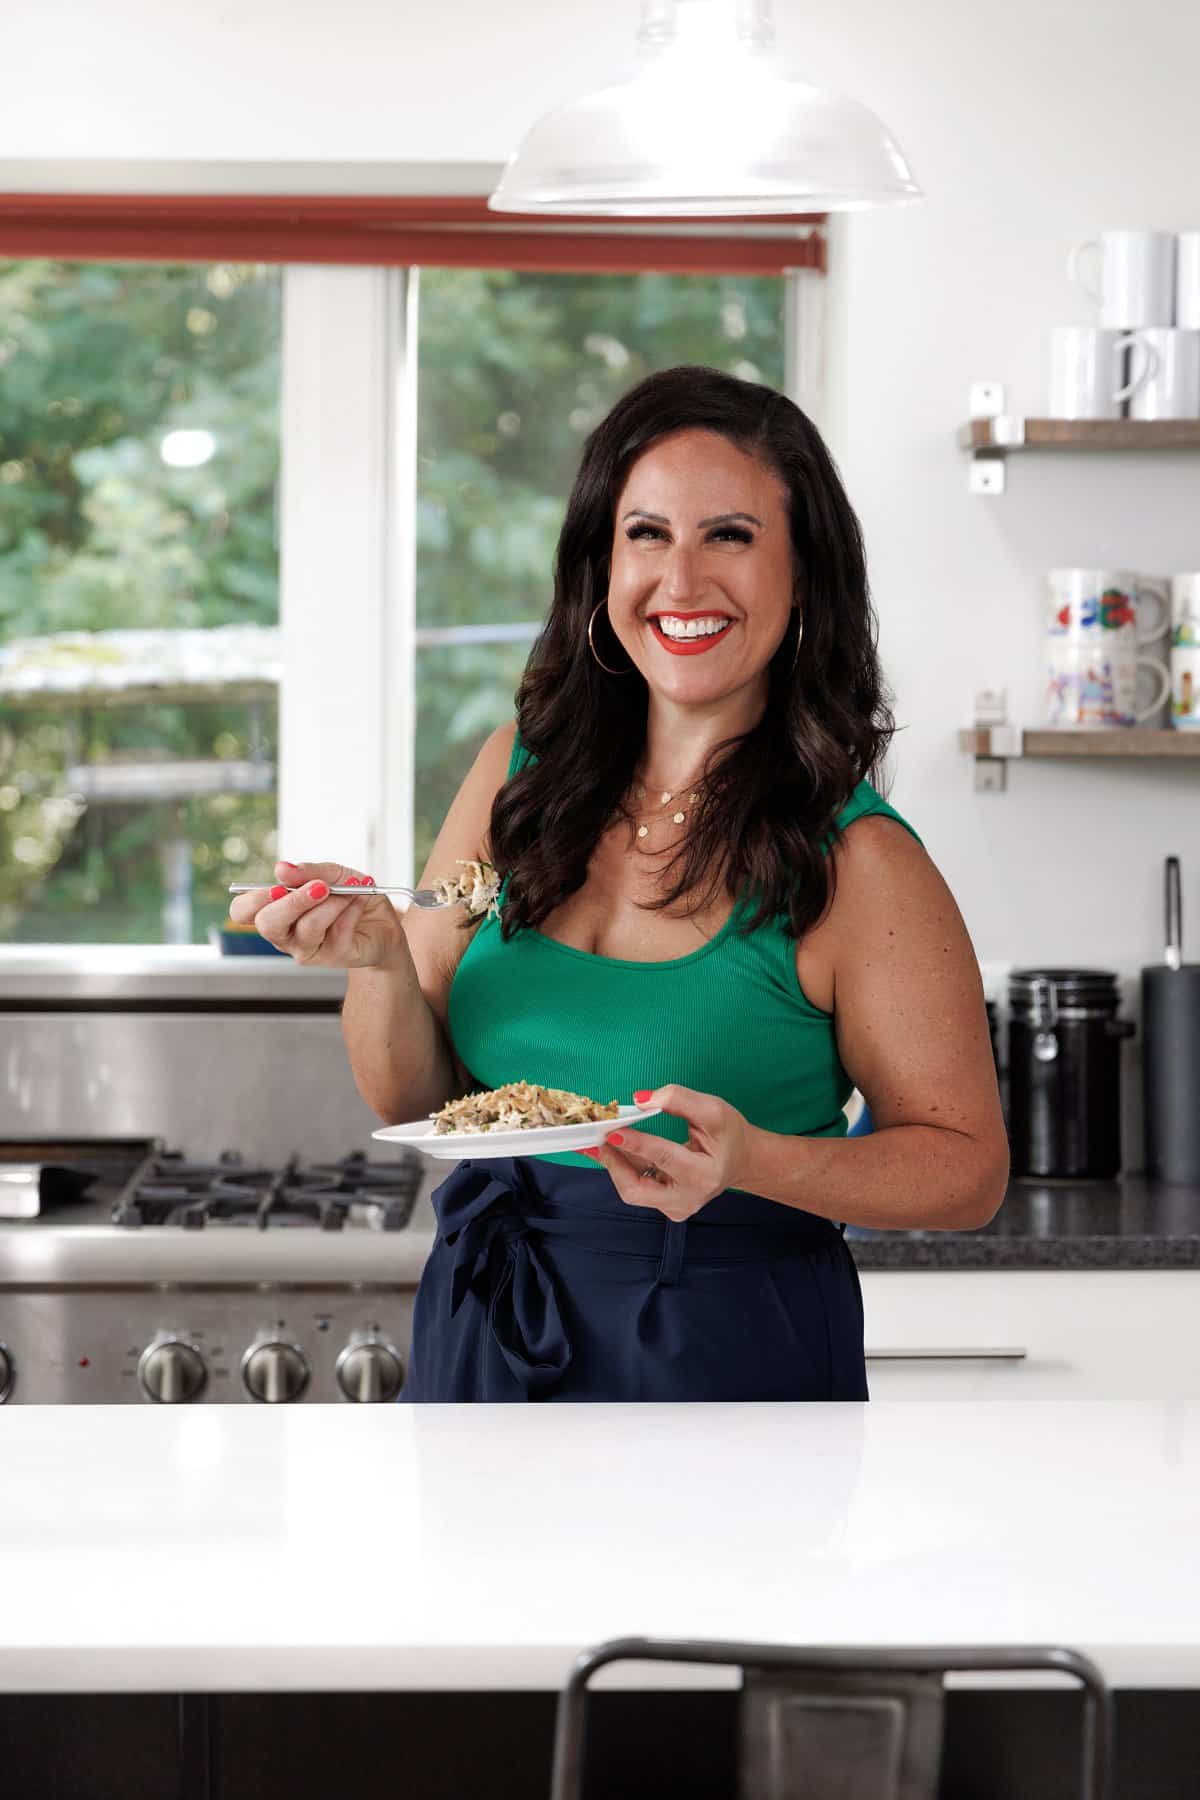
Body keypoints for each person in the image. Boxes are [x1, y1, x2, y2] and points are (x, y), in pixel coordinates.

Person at [232, 365, 1008, 1402]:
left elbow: (967, 1172)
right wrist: (375, 961)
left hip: (721, 1346)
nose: (681, 583)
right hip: (487, 1314)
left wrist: (752, 1161)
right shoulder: (518, 777)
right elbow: (417, 1098)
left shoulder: (858, 859)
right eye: (647, 535)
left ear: (805, 576)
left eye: (728, 535)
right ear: (601, 566)